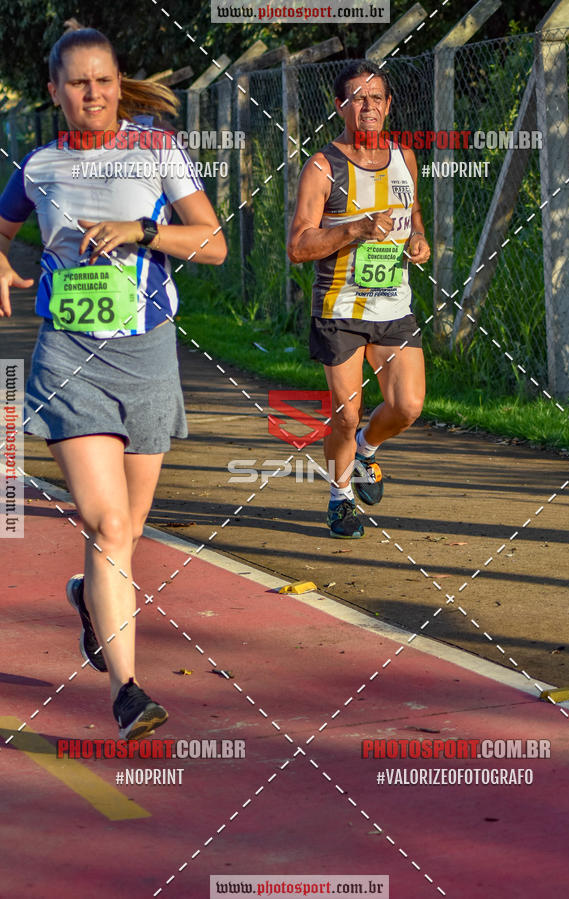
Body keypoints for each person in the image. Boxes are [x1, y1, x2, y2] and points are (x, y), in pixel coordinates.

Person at [0, 26, 227, 739]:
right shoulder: (37, 166)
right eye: (77, 82)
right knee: (110, 524)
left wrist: (141, 231)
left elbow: (213, 243)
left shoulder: (157, 149)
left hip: (149, 355)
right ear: (54, 93)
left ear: (117, 81)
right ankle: (128, 692)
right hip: (69, 357)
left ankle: (89, 600)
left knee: (123, 536)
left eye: (103, 80)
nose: (92, 93)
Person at [287, 60, 430, 538]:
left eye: (376, 98)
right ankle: (339, 499)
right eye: (357, 98)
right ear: (341, 106)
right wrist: (356, 228)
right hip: (340, 309)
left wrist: (419, 242)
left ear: (388, 105)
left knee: (408, 406)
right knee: (346, 414)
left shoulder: (404, 158)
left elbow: (414, 217)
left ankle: (368, 449)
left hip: (393, 306)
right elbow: (298, 246)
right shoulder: (323, 166)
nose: (368, 107)